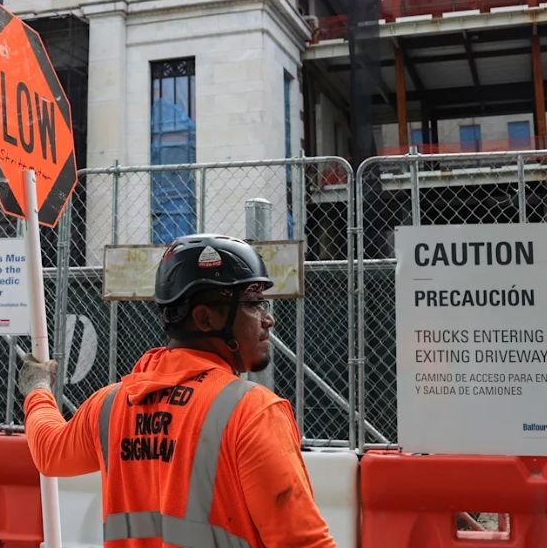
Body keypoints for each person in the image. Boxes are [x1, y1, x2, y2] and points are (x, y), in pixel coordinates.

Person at [19, 233, 337, 547]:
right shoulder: (252, 412)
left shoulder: (110, 405)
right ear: (205, 318)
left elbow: (49, 451)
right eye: (254, 303)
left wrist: (37, 388)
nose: (268, 320)